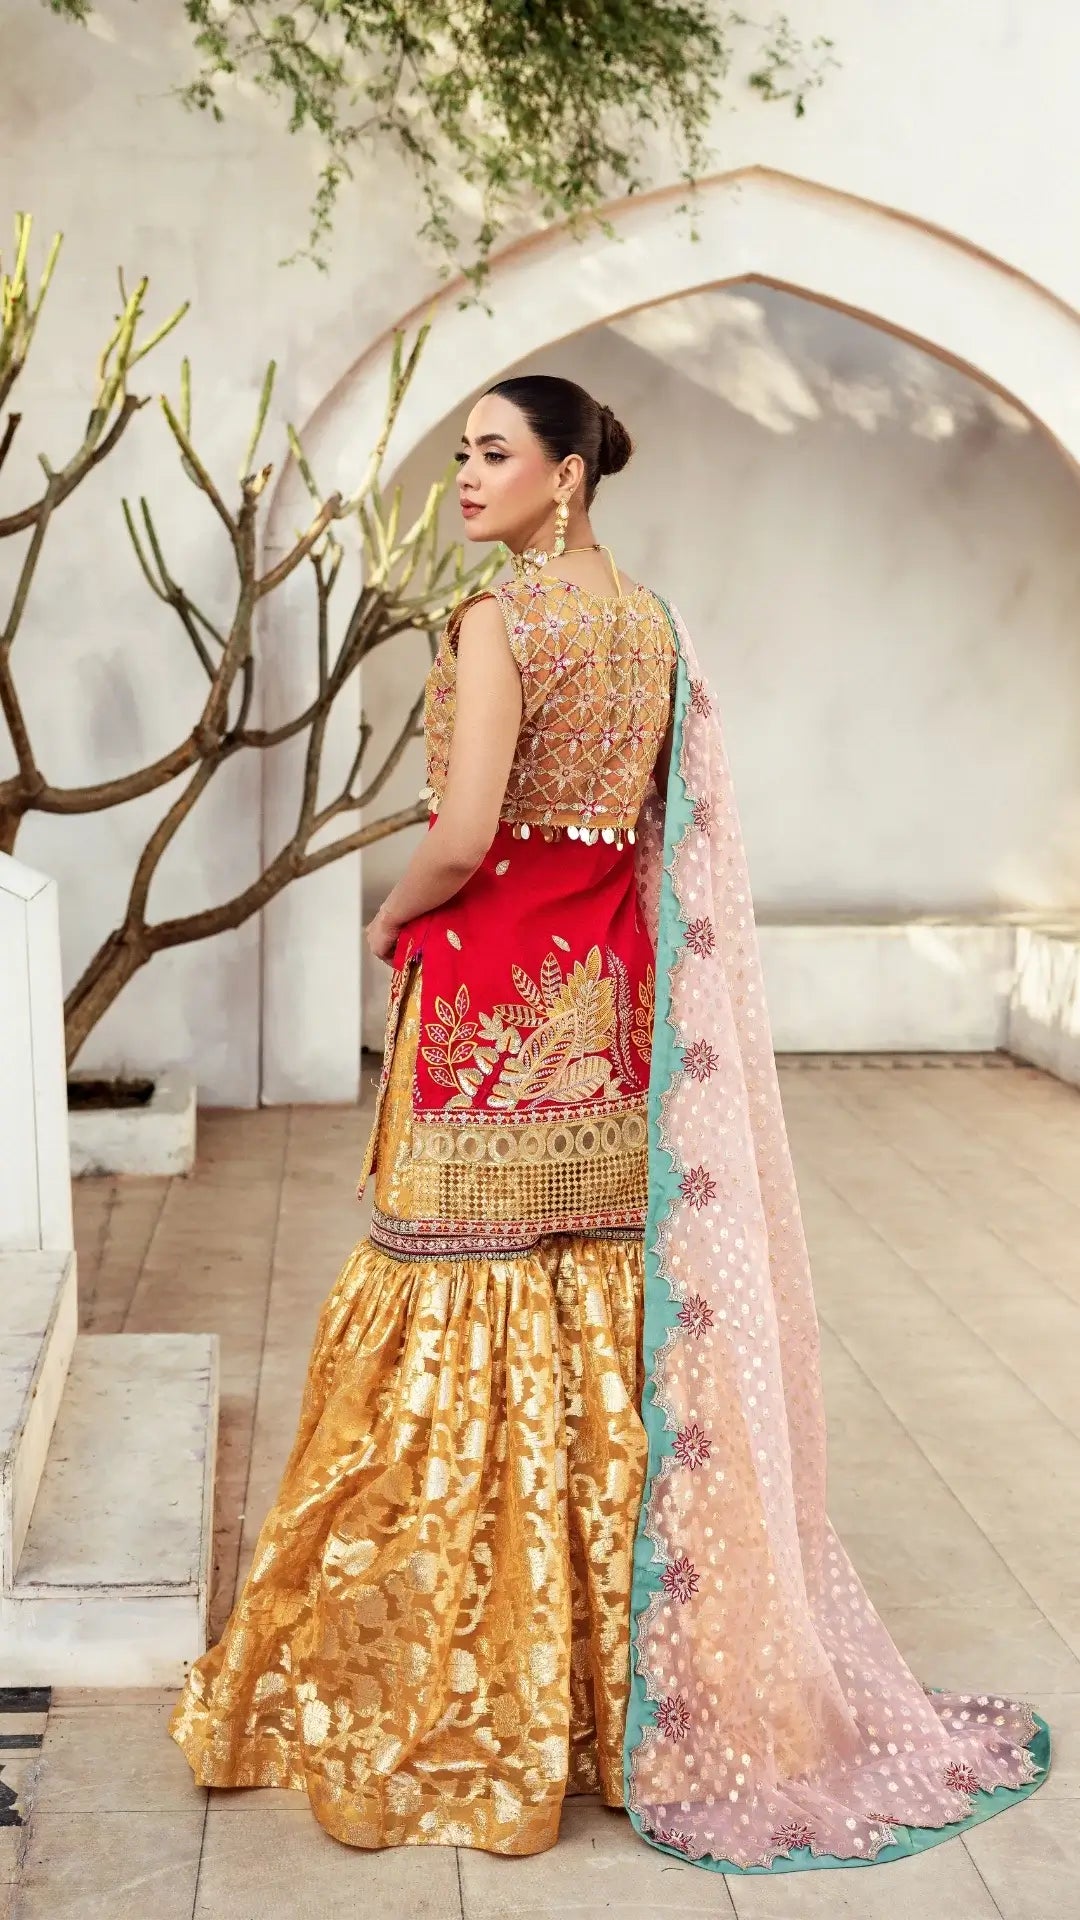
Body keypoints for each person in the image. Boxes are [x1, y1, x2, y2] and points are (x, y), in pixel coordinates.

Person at [169, 374, 1049, 1872]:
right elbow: (653, 836)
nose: (463, 476)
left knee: (451, 1310)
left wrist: (392, 915)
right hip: (613, 1021)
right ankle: (613, 1703)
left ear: (566, 476)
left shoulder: (501, 623)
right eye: (459, 453)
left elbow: (462, 832)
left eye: (493, 454)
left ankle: (471, 1690)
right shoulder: (658, 631)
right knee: (600, 1317)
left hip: (492, 1013)